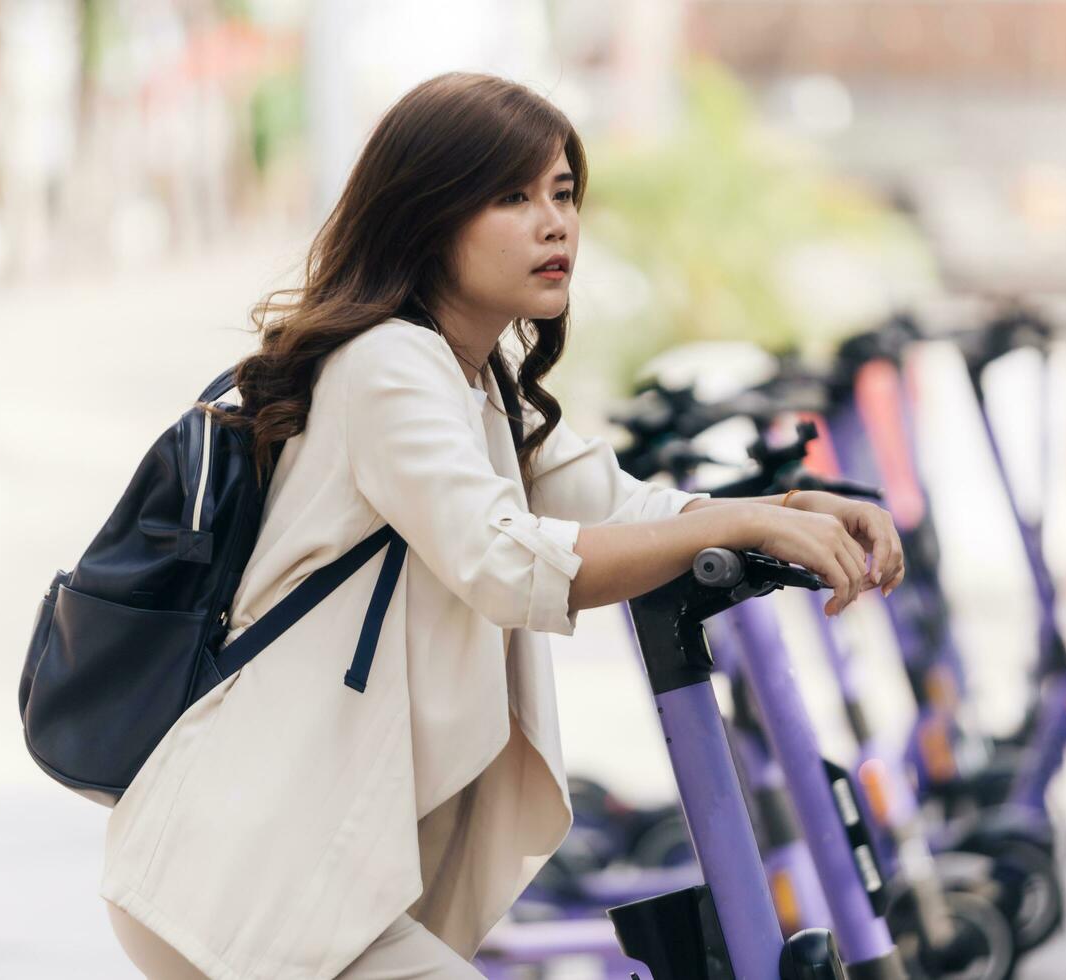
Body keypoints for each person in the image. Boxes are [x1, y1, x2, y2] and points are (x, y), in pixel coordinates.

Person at [99, 71, 904, 980]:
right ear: (428, 219)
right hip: (245, 881)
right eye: (512, 197)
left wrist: (790, 511)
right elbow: (507, 564)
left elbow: (619, 504)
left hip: (306, 883)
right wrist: (751, 519)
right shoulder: (389, 368)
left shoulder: (475, 383)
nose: (554, 223)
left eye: (563, 194)